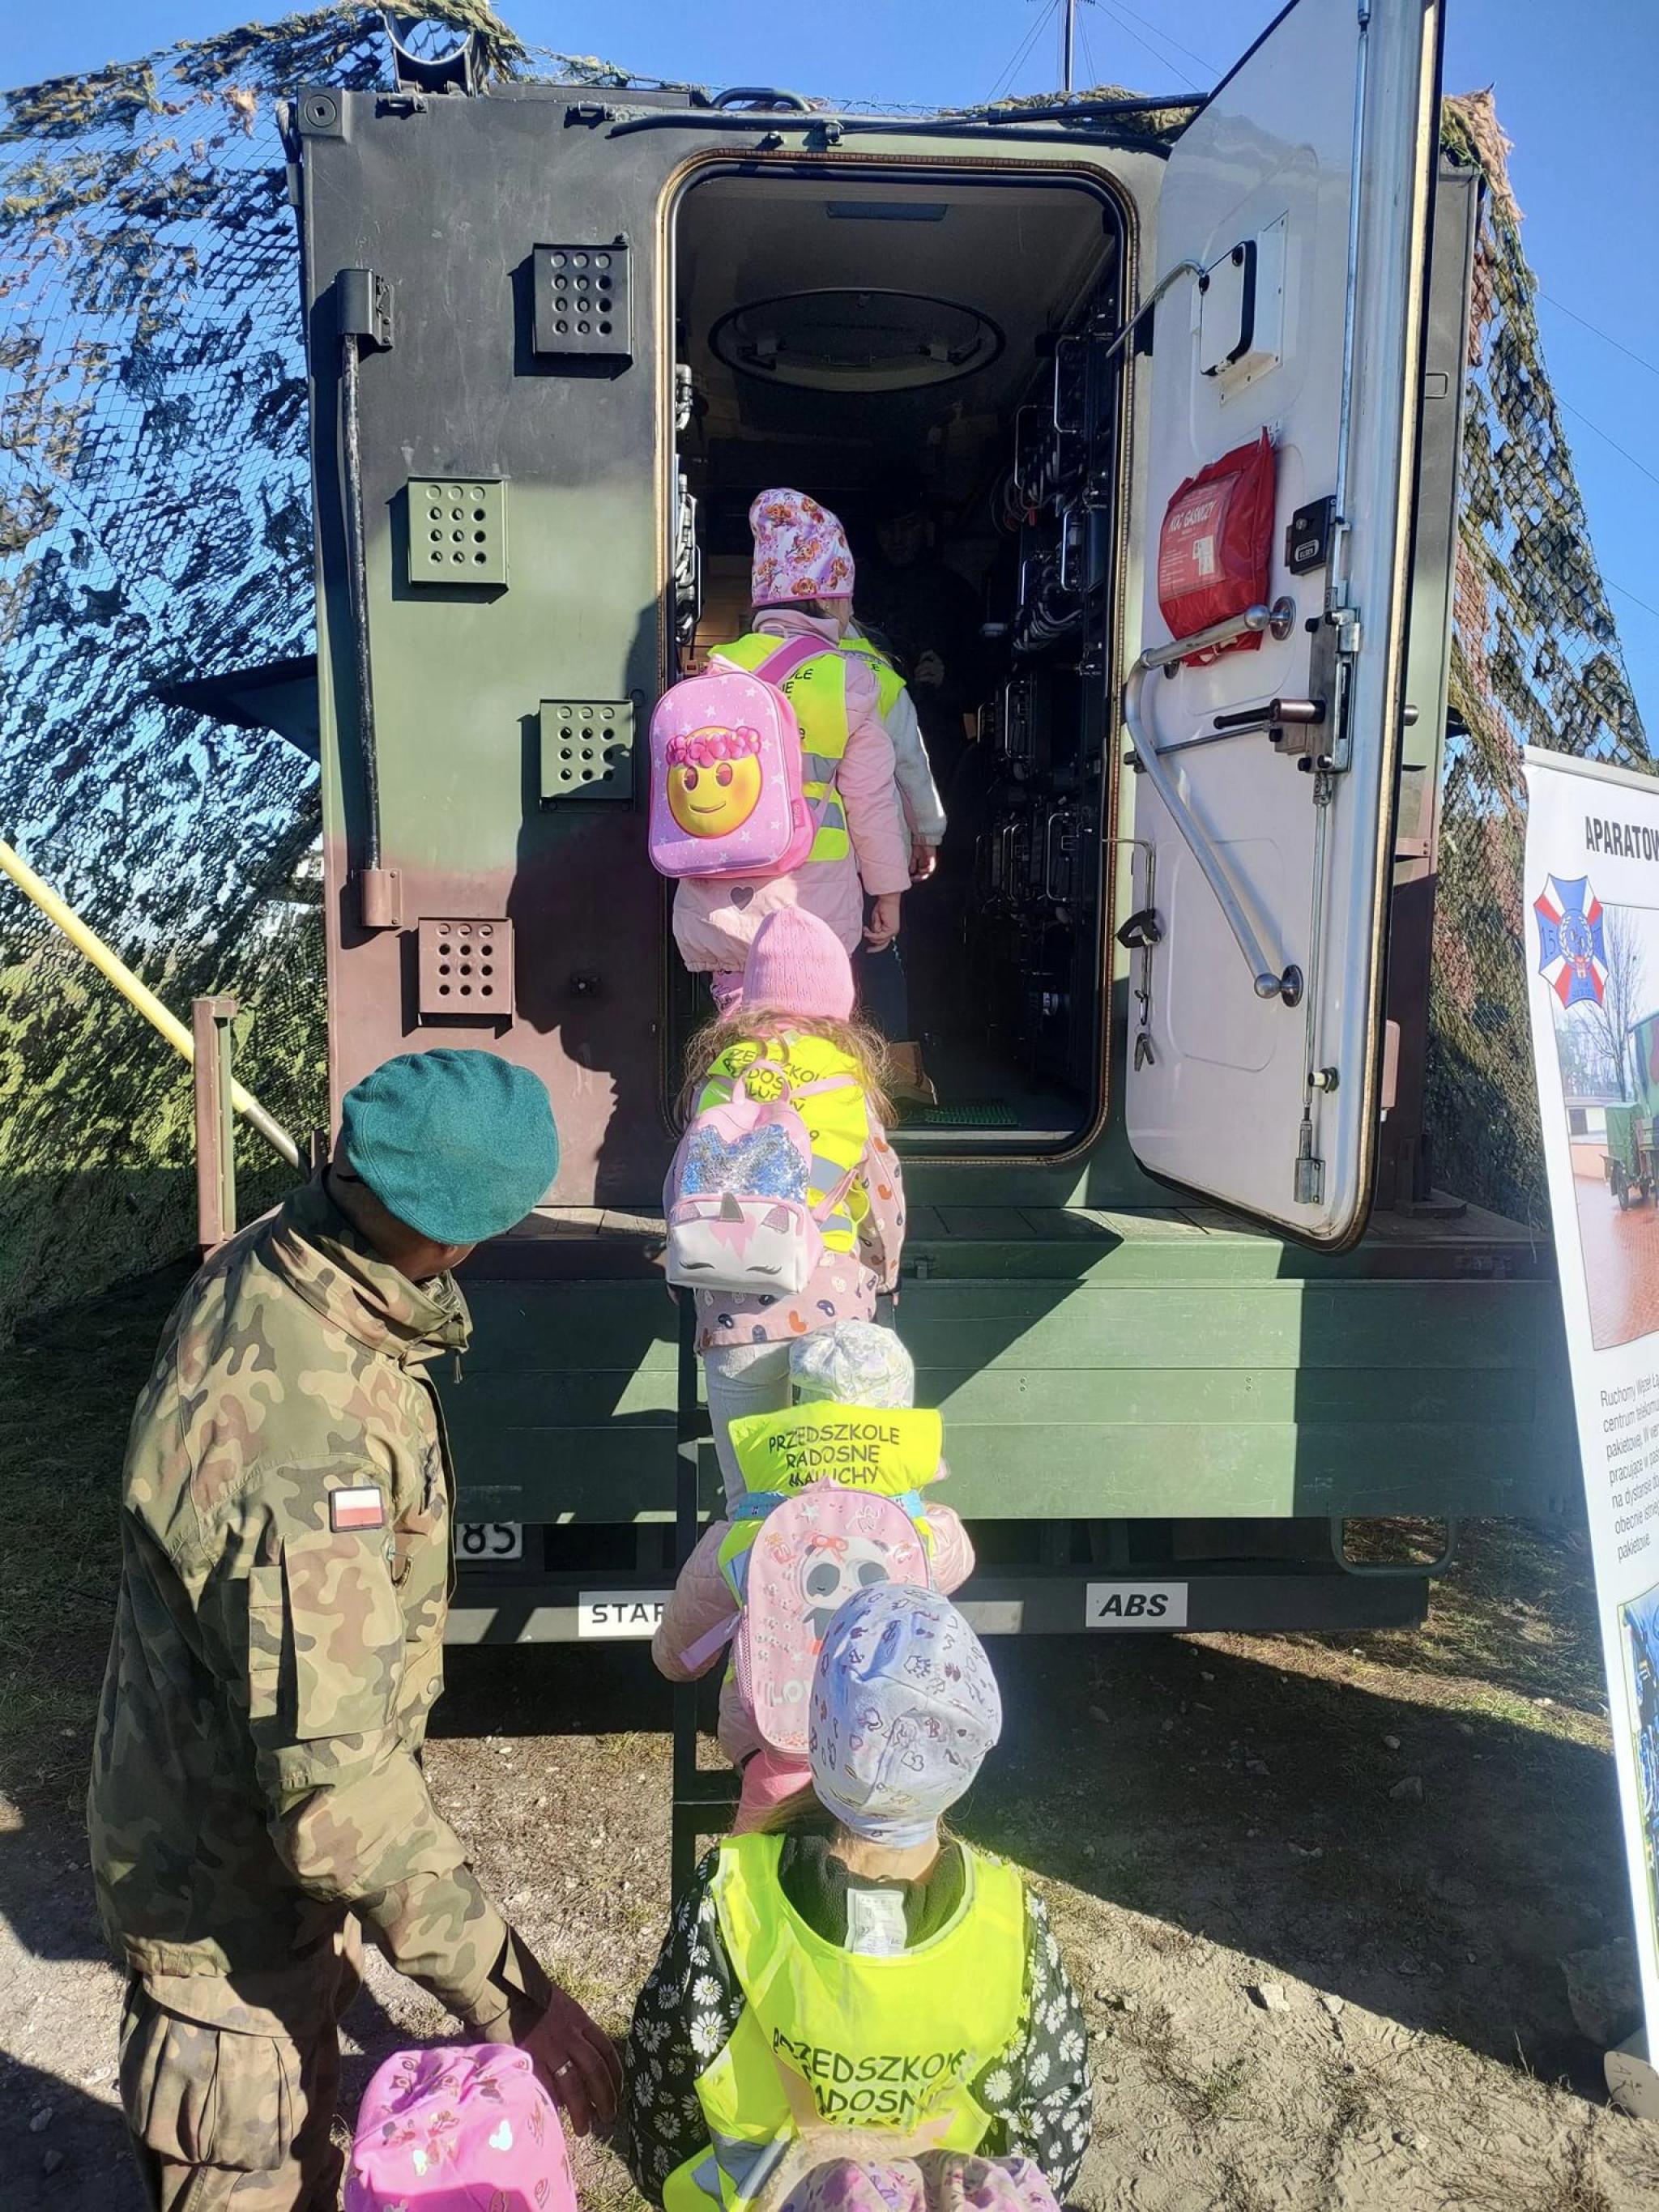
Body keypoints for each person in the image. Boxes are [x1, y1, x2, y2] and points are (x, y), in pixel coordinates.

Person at [88, 1048, 622, 2212]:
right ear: (454, 1237)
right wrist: (515, 1996)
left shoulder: (288, 1258)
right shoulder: (303, 1445)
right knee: (255, 2176)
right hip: (224, 1922)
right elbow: (335, 1798)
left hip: (254, 1860)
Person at [623, 1586, 1093, 2210]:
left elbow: (662, 2095)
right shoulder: (1011, 1922)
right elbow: (1052, 2130)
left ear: (820, 1722)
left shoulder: (731, 1893)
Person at [651, 1321, 975, 1830]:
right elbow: (960, 1564)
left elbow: (681, 1647)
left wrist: (675, 1662)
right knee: (889, 1849)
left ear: (797, 1410)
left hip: (776, 1747)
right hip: (890, 1751)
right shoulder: (927, 1536)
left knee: (760, 1861)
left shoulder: (747, 1535)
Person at [679, 906, 906, 1509]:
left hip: (734, 1310)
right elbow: (882, 1194)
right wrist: (884, 1271)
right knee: (838, 1499)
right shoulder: (847, 1083)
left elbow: (683, 1184)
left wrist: (684, 1275)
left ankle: (753, 1568)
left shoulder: (720, 1078)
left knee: (751, 1503)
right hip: (831, 1303)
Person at [672, 488, 912, 1012]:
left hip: (720, 911)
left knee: (741, 1033)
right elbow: (872, 803)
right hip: (812, 910)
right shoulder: (848, 681)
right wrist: (889, 892)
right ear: (829, 601)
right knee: (806, 1039)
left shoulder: (718, 671)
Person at [841, 619, 945, 1102]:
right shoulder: (881, 678)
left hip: (793, 853)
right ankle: (898, 1077)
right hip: (871, 853)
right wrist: (927, 834)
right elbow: (911, 767)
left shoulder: (767, 666)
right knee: (879, 951)